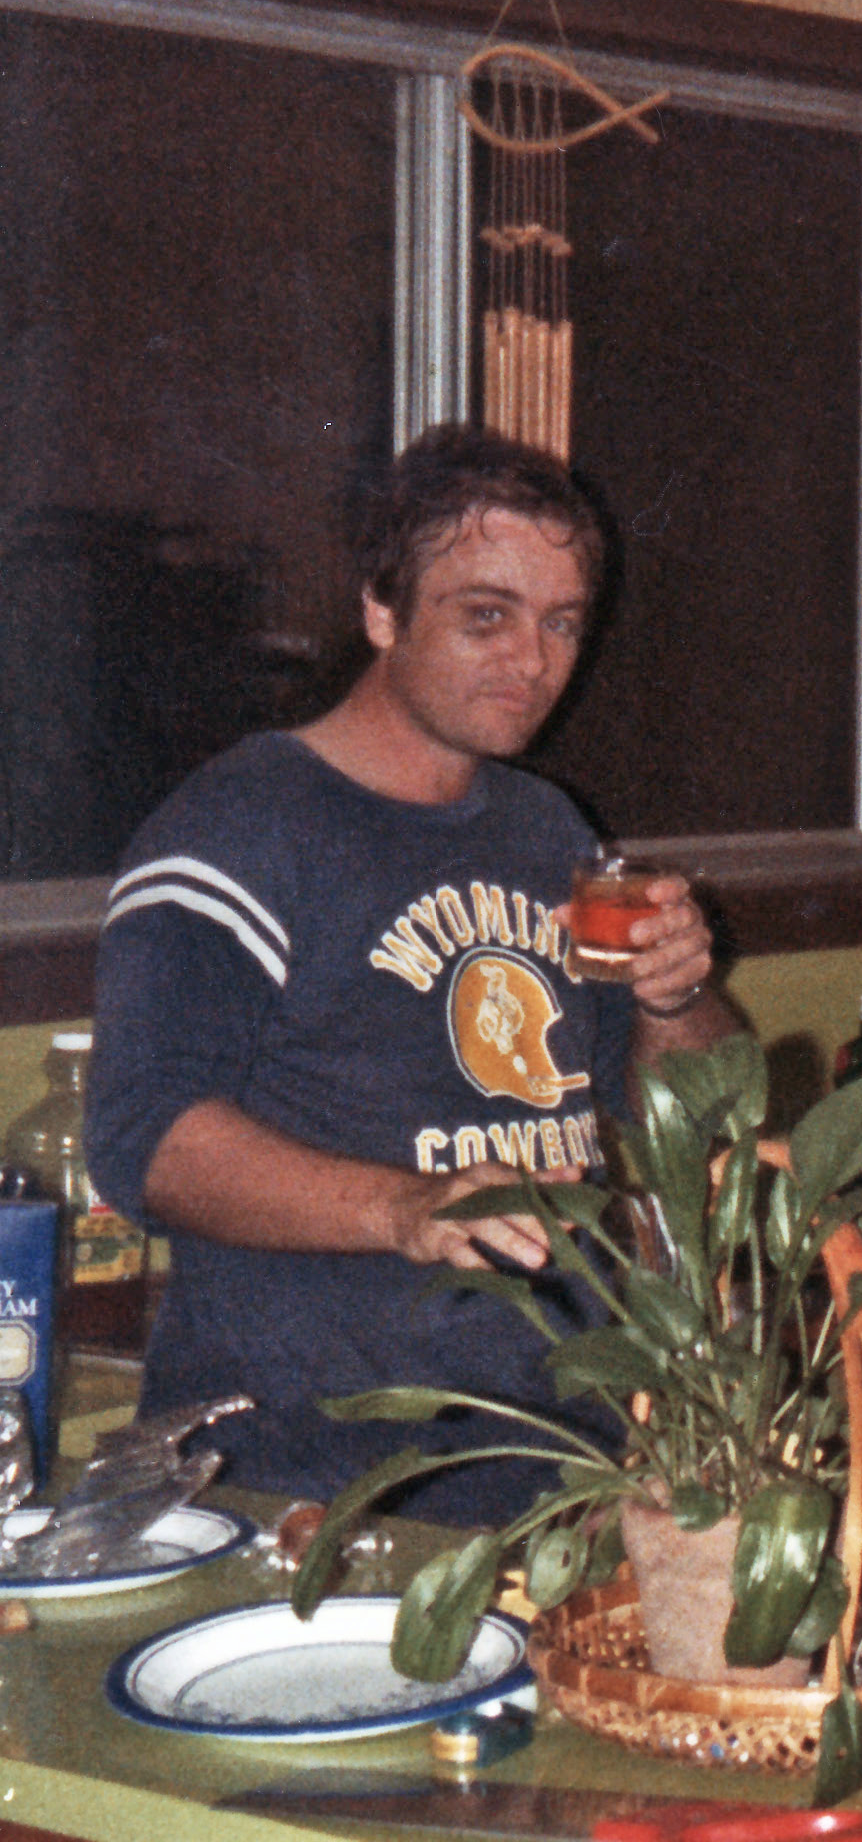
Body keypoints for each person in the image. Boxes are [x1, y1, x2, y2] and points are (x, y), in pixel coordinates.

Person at [87, 425, 735, 1523]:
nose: (531, 661)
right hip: (317, 1485)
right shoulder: (240, 827)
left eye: (561, 622)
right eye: (486, 614)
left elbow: (698, 1121)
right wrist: (408, 1207)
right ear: (382, 611)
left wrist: (675, 997)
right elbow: (144, 1139)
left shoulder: (550, 830)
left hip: (568, 1468)